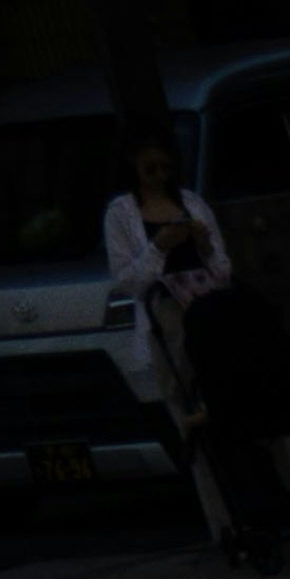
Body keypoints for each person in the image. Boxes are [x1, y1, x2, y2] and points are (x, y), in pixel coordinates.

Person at [101, 139, 228, 427]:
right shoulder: (120, 214)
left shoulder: (192, 203)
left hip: (208, 308)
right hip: (164, 314)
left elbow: (223, 270)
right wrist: (158, 247)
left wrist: (203, 243)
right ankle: (201, 462)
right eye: (150, 169)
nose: (160, 176)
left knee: (220, 384)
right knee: (179, 392)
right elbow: (126, 280)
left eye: (166, 168)